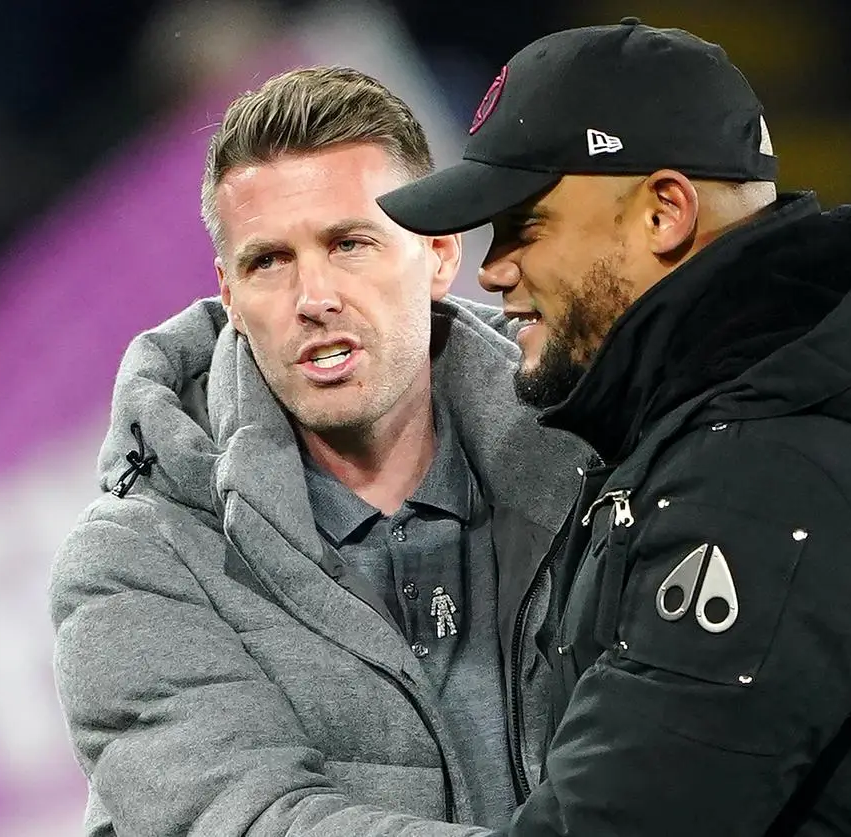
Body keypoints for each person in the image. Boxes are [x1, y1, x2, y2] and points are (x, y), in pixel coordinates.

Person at [377, 17, 851, 837]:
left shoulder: (768, 473)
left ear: (664, 212)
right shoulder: (761, 417)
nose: (493, 270)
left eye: (524, 226)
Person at [48, 66, 591, 836]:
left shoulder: (598, 470)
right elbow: (245, 819)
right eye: (268, 261)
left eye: (350, 243)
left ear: (439, 253)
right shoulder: (140, 559)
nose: (314, 297)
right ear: (228, 295)